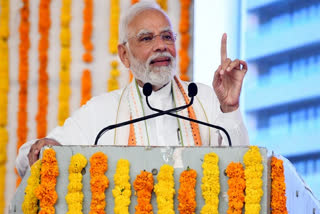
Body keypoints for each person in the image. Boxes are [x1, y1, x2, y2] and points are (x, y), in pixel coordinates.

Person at [16, 1, 249, 177]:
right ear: (124, 55)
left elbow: (242, 168)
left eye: (167, 37)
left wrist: (229, 108)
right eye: (147, 38)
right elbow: (25, 159)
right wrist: (48, 149)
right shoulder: (102, 112)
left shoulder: (204, 98)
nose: (161, 46)